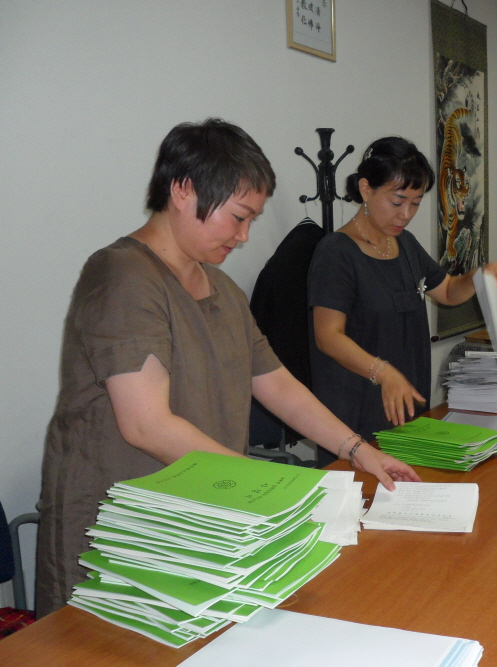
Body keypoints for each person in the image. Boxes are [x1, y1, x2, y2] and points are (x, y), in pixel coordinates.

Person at [35, 119, 420, 617]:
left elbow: (277, 384)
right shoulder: (124, 277)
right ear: (183, 189)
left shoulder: (221, 289)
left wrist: (358, 450)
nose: (243, 236)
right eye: (238, 217)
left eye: (251, 220)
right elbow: (146, 425)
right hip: (121, 530)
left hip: (199, 514)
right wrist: (275, 489)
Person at [308, 137, 497, 458]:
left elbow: (447, 291)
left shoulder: (405, 244)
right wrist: (384, 372)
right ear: (366, 189)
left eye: (415, 203)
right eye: (397, 201)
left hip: (405, 401)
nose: (406, 214)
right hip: (356, 408)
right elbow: (327, 336)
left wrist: (478, 278)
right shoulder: (336, 252)